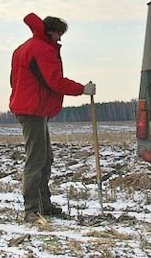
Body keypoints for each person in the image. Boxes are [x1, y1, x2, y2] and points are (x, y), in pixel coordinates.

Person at [9, 13, 95, 221]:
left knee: (45, 157)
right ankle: (32, 209)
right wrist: (82, 89)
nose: (60, 39)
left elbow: (14, 80)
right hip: (33, 110)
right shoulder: (42, 49)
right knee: (37, 159)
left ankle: (42, 204)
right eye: (59, 34)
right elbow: (55, 81)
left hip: (31, 108)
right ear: (52, 32)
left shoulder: (24, 48)